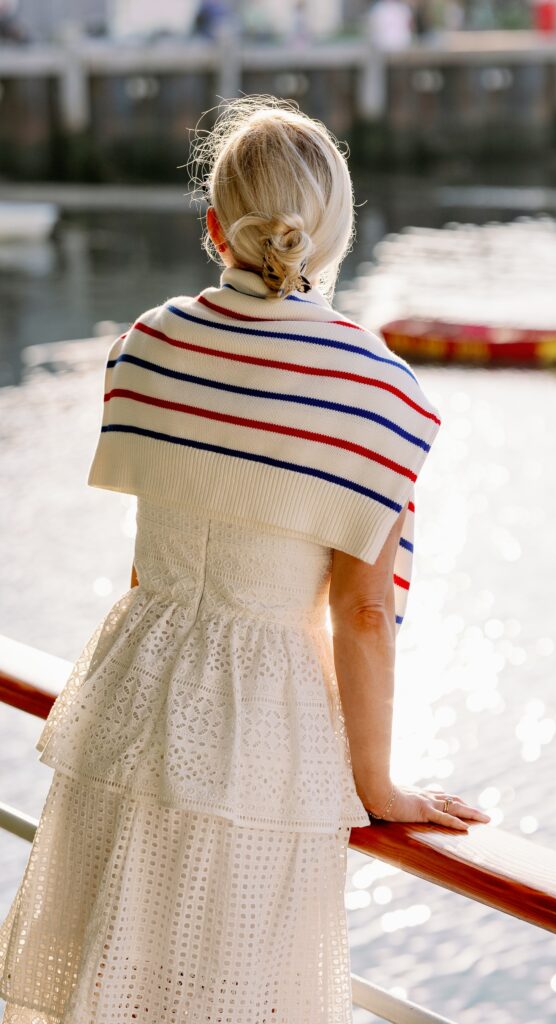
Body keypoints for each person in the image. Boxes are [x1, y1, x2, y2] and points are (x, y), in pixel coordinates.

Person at [0, 95, 490, 1023]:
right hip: (263, 723)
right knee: (231, 991)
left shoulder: (146, 345)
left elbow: (155, 551)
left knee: (106, 974)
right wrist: (379, 787)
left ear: (213, 226)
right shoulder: (375, 387)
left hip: (130, 691)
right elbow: (361, 610)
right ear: (336, 233)